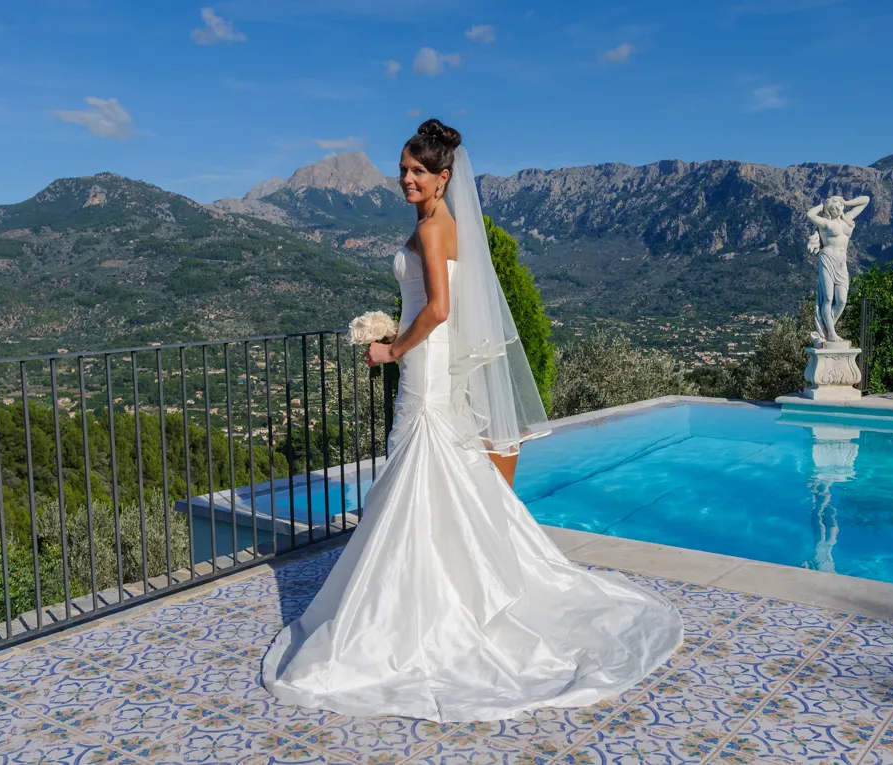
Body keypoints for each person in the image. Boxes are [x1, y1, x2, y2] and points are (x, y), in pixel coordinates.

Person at [261, 119, 682, 722]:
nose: (406, 179)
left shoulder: (435, 227)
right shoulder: (440, 224)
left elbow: (437, 308)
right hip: (429, 369)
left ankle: (425, 611)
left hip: (426, 371)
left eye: (417, 171)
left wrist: (391, 348)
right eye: (403, 169)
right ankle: (435, 591)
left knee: (423, 467)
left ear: (443, 177)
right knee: (433, 475)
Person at [806, 195, 870, 344]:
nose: (837, 209)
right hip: (827, 259)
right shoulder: (825, 223)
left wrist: (845, 202)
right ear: (829, 209)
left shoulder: (847, 218)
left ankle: (827, 330)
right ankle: (832, 333)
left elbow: (865, 200)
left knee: (841, 300)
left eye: (839, 206)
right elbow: (810, 214)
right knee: (828, 298)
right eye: (834, 207)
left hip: (842, 263)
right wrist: (823, 205)